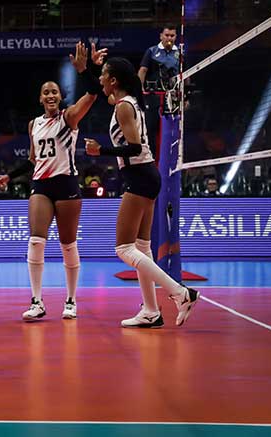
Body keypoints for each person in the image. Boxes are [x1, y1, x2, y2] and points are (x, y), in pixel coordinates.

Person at [84, 58, 199, 328]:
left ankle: (181, 293)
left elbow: (134, 148)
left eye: (103, 75)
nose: (100, 79)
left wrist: (101, 151)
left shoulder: (124, 106)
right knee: (143, 247)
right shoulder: (126, 101)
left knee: (124, 248)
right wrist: (88, 69)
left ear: (114, 80)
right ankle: (151, 311)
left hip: (139, 176)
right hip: (147, 175)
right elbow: (97, 92)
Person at [0, 42, 105, 322]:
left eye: (55, 91)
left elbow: (93, 94)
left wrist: (86, 71)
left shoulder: (69, 118)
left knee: (68, 244)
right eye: (46, 92)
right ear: (40, 98)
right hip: (41, 185)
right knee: (35, 241)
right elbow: (33, 159)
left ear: (60, 95)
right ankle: (37, 301)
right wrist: (11, 175)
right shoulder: (34, 124)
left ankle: (70, 300)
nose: (51, 95)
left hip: (67, 184)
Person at [138, 24, 180, 92]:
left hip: (174, 92)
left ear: (175, 37)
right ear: (161, 36)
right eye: (166, 35)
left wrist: (186, 95)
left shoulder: (180, 52)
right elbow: (143, 70)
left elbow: (185, 73)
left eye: (172, 36)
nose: (169, 38)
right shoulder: (151, 51)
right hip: (155, 92)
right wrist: (140, 87)